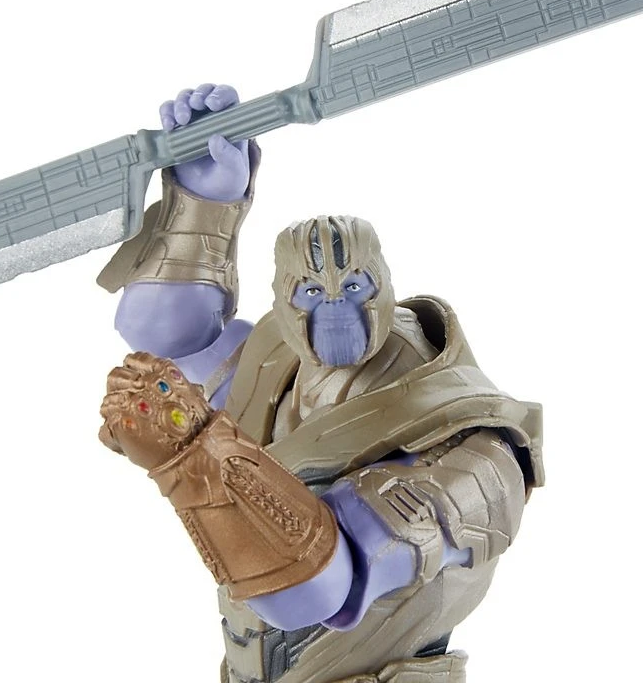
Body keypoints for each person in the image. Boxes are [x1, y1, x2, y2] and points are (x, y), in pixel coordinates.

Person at [97, 84, 543, 683]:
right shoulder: (281, 372)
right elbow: (167, 333)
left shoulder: (476, 455)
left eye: (353, 288)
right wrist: (205, 202)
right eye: (312, 293)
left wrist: (193, 454)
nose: (335, 310)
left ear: (383, 286)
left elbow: (314, 588)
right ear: (285, 301)